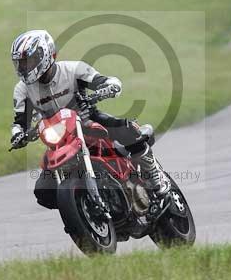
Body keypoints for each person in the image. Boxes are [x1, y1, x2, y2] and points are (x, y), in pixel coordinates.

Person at [9, 29, 169, 209]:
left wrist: (109, 87)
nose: (24, 67)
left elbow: (103, 80)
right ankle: (81, 209)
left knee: (129, 130)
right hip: (58, 137)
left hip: (87, 119)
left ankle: (155, 177)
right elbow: (19, 122)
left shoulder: (73, 69)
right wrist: (18, 135)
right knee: (43, 191)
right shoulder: (22, 90)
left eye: (27, 61)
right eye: (20, 63)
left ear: (44, 54)